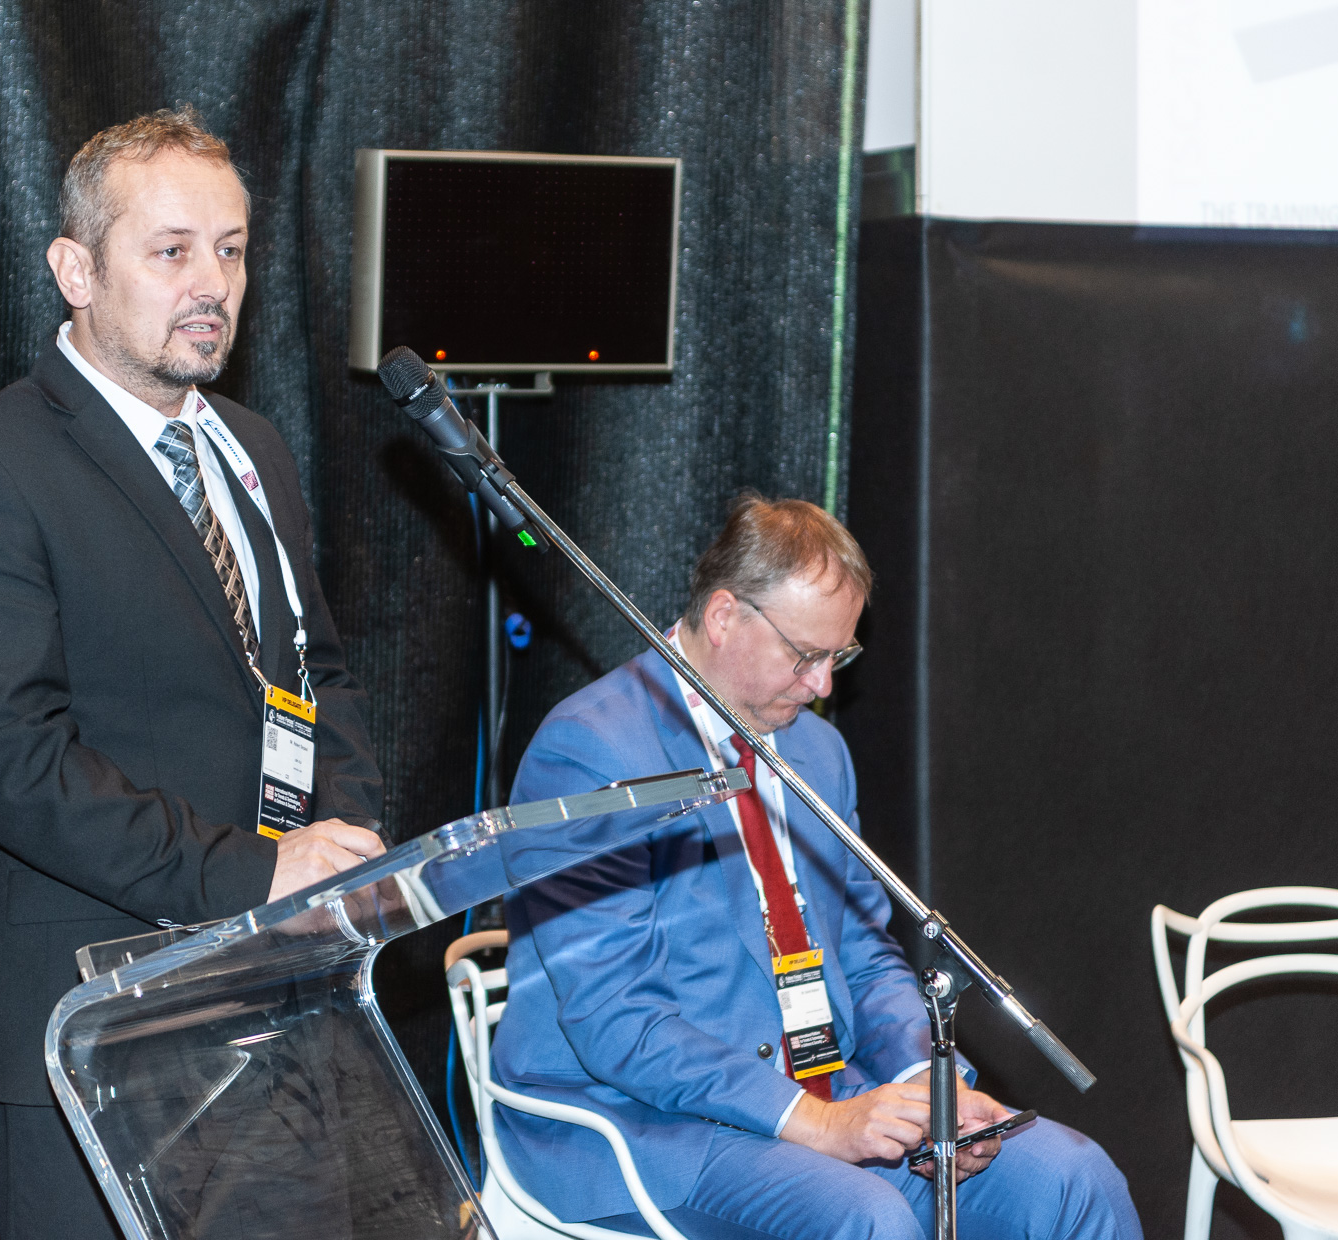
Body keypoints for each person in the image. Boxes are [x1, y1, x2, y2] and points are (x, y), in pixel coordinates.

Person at [0, 109, 384, 1240]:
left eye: (231, 249)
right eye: (171, 250)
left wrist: (344, 852)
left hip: (274, 1002)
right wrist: (253, 873)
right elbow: (8, 758)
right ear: (76, 271)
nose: (211, 283)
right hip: (90, 1024)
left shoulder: (253, 448)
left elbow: (317, 673)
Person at [489, 493, 1141, 1240]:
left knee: (1074, 1178)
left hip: (827, 1085)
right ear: (725, 616)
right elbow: (617, 1018)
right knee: (869, 1220)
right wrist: (814, 1121)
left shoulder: (817, 750)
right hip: (645, 1126)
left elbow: (862, 948)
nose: (824, 685)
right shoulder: (592, 749)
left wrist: (927, 1084)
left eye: (840, 657)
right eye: (805, 655)